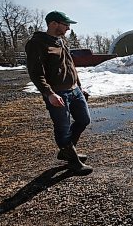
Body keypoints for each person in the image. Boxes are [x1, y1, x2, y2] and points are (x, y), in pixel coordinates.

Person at [25, 11, 92, 174]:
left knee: (84, 120)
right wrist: (49, 93)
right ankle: (73, 162)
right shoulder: (37, 43)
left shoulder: (61, 41)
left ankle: (67, 151)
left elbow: (71, 66)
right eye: (66, 24)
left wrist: (79, 86)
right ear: (53, 24)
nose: (68, 28)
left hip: (74, 90)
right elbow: (36, 73)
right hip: (57, 94)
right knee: (62, 128)